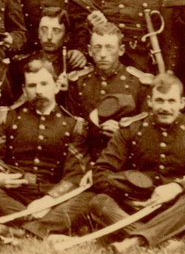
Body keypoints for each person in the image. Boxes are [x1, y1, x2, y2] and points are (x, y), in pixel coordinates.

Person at [82, 73, 185, 252]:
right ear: (150, 101)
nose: (165, 107)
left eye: (171, 101)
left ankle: (134, 242)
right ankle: (163, 243)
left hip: (175, 209)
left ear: (182, 103)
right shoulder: (131, 129)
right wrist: (130, 196)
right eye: (160, 100)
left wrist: (177, 187)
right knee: (99, 202)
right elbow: (101, 172)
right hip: (134, 207)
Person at [0, 61, 91, 239]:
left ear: (57, 86)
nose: (38, 90)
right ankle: (44, 229)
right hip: (15, 193)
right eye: (32, 85)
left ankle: (20, 229)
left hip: (52, 195)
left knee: (86, 199)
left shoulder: (74, 125)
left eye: (44, 84)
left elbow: (75, 174)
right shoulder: (8, 117)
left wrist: (49, 200)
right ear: (24, 89)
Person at [63, 23, 154, 157]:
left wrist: (123, 132)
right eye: (97, 47)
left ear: (121, 50)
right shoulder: (78, 82)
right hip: (84, 156)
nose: (103, 54)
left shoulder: (138, 83)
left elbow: (148, 131)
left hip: (125, 157)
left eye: (109, 47)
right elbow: (71, 128)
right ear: (89, 50)